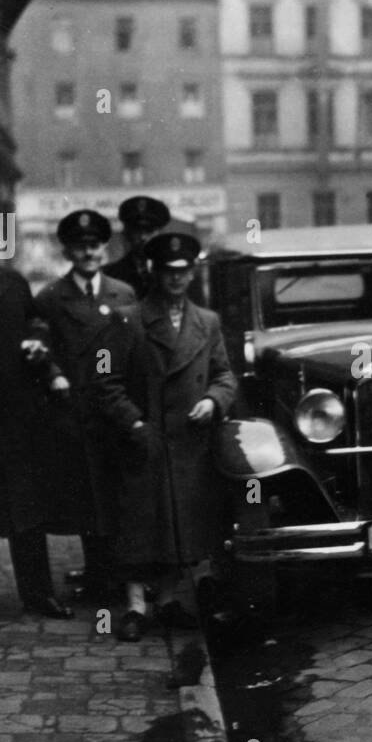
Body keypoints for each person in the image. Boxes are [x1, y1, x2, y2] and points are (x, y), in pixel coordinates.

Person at [95, 230, 236, 642]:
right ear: (154, 273)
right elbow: (106, 382)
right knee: (141, 526)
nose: (176, 279)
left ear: (192, 273)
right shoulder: (127, 319)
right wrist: (135, 424)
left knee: (182, 525)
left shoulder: (207, 322)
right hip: (146, 441)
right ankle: (136, 607)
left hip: (189, 442)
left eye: (183, 271)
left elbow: (224, 373)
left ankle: (172, 601)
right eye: (168, 272)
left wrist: (213, 400)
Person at [34, 209, 137, 601]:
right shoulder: (51, 297)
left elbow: (131, 350)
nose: (88, 253)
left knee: (116, 492)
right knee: (86, 495)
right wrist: (53, 374)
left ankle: (118, 572)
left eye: (94, 246)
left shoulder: (122, 293)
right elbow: (41, 346)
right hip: (75, 411)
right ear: (68, 252)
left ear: (104, 249)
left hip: (114, 406)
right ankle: (98, 575)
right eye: (80, 247)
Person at [0, 202, 73, 618]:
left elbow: (36, 325)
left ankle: (38, 594)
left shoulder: (12, 283)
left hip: (14, 421)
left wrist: (38, 345)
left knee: (26, 512)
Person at [103, 195, 170, 299]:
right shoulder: (109, 275)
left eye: (149, 231)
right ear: (126, 234)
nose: (143, 237)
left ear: (160, 234)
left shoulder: (177, 272)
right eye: (137, 231)